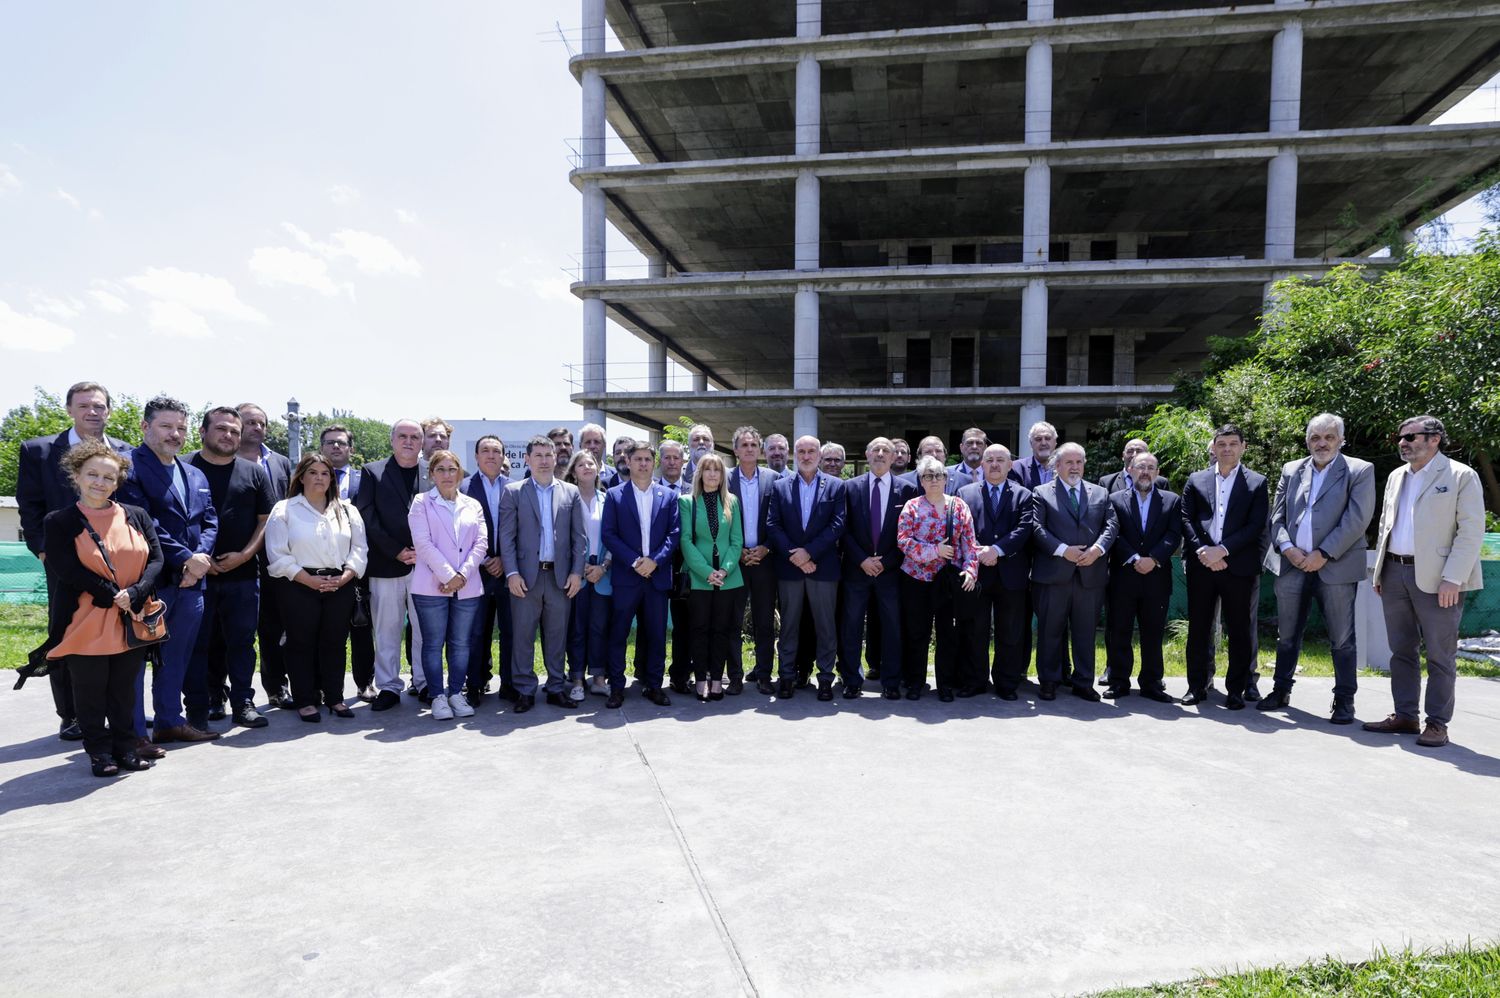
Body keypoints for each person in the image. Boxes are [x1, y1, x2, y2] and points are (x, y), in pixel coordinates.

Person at [17, 380, 132, 741]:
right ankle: (71, 715)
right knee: (68, 633)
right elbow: (30, 505)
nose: (92, 412)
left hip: (115, 563)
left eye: (99, 406)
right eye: (84, 406)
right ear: (69, 409)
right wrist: (43, 549)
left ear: (108, 411)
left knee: (115, 635)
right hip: (65, 564)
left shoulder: (126, 452)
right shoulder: (39, 450)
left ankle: (115, 712)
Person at [42, 440, 164, 776]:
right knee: (91, 693)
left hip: (131, 619)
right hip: (85, 621)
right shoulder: (60, 521)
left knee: (124, 691)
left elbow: (156, 558)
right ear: (77, 476)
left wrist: (136, 593)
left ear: (118, 481)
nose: (100, 482)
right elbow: (66, 569)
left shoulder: (136, 515)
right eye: (92, 474)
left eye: (109, 477)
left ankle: (125, 749)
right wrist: (114, 593)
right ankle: (99, 753)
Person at [1364, 415, 1485, 748]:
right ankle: (1405, 715)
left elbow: (1471, 531)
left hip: (1439, 579)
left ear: (1434, 439)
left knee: (1439, 654)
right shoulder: (1395, 476)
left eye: (1411, 436)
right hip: (1393, 572)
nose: (1403, 442)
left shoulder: (1461, 475)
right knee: (1401, 650)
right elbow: (1387, 526)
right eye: (1400, 437)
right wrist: (1379, 570)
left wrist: (1453, 578)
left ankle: (1437, 723)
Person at [116, 396, 221, 744]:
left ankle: (169, 721)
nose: (174, 434)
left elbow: (209, 520)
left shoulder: (194, 472)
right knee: (134, 661)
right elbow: (143, 521)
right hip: (149, 581)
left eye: (181, 428)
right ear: (145, 427)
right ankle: (133, 734)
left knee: (176, 657)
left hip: (192, 584)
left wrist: (200, 561)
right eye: (166, 426)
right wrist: (185, 559)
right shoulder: (127, 467)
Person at [1259, 414, 1376, 723]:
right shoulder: (1291, 470)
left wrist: (1323, 553)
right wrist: (1287, 548)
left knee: (1341, 638)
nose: (1321, 443)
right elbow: (1277, 516)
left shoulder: (1359, 470)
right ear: (1307, 440)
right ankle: (1281, 689)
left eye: (1328, 437)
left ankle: (1344, 701)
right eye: (1315, 438)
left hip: (1334, 566)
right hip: (1292, 564)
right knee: (1287, 634)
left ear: (1340, 440)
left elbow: (1357, 518)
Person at [189, 406, 275, 729]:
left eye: (234, 432)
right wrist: (196, 559)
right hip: (195, 574)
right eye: (222, 429)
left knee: (241, 642)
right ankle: (204, 704)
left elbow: (265, 521)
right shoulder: (185, 468)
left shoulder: (254, 472)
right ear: (203, 431)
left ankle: (243, 702)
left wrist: (245, 554)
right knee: (200, 643)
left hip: (242, 575)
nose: (229, 436)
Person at [265, 453, 367, 721]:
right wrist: (307, 580)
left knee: (334, 643)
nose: (319, 478)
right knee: (301, 643)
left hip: (339, 583)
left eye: (325, 473)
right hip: (298, 584)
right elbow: (277, 553)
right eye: (313, 472)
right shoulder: (285, 509)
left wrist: (346, 576)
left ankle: (335, 698)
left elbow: (359, 549)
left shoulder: (347, 510)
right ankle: (305, 699)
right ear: (301, 476)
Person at [1179, 424, 1270, 709]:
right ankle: (1196, 686)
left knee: (1240, 630)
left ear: (1243, 447)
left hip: (1238, 566)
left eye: (1233, 443)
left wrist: (1223, 550)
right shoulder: (1196, 479)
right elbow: (1186, 519)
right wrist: (1204, 551)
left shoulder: (1257, 482)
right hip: (1202, 564)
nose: (1227, 448)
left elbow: (1256, 525)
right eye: (1221, 443)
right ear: (1213, 447)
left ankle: (1236, 690)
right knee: (1199, 629)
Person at [499, 436, 587, 713]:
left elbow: (579, 538)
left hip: (559, 577)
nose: (544, 460)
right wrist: (511, 573)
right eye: (538, 455)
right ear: (527, 459)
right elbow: (507, 537)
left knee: (557, 635)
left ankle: (555, 688)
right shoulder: (514, 491)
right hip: (526, 576)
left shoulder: (570, 492)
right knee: (523, 635)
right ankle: (525, 690)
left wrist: (576, 573)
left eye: (548, 454)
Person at [1030, 442, 1117, 702]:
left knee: (1085, 632)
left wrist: (1097, 550)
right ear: (1057, 466)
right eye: (1069, 462)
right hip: (1053, 574)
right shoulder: (1042, 492)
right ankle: (1049, 681)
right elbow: (1036, 528)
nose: (1074, 467)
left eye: (1079, 462)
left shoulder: (1101, 493)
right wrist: (1062, 550)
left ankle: (1083, 682)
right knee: (1050, 630)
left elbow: (1111, 525)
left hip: (1089, 575)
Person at [408, 450, 487, 721]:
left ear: (459, 473)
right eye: (440, 469)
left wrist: (461, 576)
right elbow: (423, 543)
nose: (447, 475)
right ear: (432, 475)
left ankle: (455, 693)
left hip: (467, 585)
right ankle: (437, 697)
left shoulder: (473, 505)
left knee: (461, 643)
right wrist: (447, 576)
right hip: (430, 586)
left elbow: (481, 543)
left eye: (452, 469)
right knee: (432, 643)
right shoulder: (420, 503)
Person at [766, 435, 847, 700]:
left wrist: (809, 553)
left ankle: (825, 678)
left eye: (812, 451)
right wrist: (796, 555)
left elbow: (837, 525)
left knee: (825, 627)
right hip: (790, 569)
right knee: (789, 626)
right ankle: (786, 677)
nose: (807, 455)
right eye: (801, 451)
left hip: (822, 568)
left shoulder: (836, 486)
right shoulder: (780, 487)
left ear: (819, 456)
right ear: (794, 455)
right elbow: (773, 525)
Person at [602, 440, 680, 707]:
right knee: (619, 633)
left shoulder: (668, 496)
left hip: (656, 578)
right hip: (627, 577)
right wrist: (636, 561)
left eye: (648, 459)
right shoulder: (615, 495)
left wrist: (655, 561)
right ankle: (616, 687)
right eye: (638, 459)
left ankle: (655, 685)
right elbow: (609, 535)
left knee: (657, 634)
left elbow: (674, 534)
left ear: (653, 462)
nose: (643, 464)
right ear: (629, 462)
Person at [355, 419, 425, 711]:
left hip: (426, 565)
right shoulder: (373, 472)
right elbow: (367, 516)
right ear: (392, 440)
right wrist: (396, 551)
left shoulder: (434, 470)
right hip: (386, 564)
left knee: (425, 630)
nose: (409, 441)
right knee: (386, 629)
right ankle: (389, 687)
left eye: (415, 437)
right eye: (403, 436)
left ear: (422, 442)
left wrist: (423, 551)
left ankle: (424, 682)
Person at [896, 455, 980, 701]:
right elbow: (903, 541)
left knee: (948, 634)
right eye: (928, 476)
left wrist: (971, 570)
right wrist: (935, 551)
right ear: (921, 480)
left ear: (946, 478)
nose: (934, 480)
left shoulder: (959, 506)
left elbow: (970, 543)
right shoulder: (912, 506)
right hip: (916, 579)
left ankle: (945, 684)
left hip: (949, 582)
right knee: (916, 633)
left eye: (939, 475)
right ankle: (915, 683)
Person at [840, 437, 917, 699]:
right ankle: (851, 680)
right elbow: (843, 529)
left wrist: (885, 562)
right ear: (867, 454)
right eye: (876, 450)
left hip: (890, 572)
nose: (881, 454)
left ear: (895, 455)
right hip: (856, 570)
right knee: (851, 626)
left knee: (892, 627)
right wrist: (862, 559)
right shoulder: (849, 487)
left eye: (886, 450)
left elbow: (909, 533)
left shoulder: (907, 490)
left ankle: (891, 681)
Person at [1102, 452, 1181, 703]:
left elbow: (1173, 535)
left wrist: (1154, 558)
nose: (1145, 471)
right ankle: (1119, 682)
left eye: (1151, 467)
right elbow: (1113, 534)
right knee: (1119, 631)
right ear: (1130, 470)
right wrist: (1136, 558)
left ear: (1157, 473)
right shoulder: (1114, 499)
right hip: (1124, 576)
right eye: (1140, 467)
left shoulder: (1171, 500)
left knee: (1153, 633)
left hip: (1157, 577)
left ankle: (1151, 683)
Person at [957, 444, 1033, 700]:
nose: (994, 464)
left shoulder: (1023, 495)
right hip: (976, 573)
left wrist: (997, 550)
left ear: (1010, 465)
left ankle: (1006, 683)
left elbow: (1024, 529)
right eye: (989, 460)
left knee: (1010, 631)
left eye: (1001, 460)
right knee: (974, 630)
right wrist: (979, 552)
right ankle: (975, 681)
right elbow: (960, 529)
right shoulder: (965, 493)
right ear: (982, 464)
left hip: (1011, 573)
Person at [235, 402, 294, 708]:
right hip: (234, 556)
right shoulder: (223, 459)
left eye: (262, 423)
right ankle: (219, 692)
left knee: (274, 626)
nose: (257, 428)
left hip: (276, 558)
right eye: (250, 422)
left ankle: (276, 686)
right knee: (231, 630)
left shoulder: (281, 462)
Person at [678, 453, 744, 702]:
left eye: (717, 470)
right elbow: (685, 540)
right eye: (708, 470)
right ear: (700, 474)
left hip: (728, 578)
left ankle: (717, 680)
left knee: (721, 631)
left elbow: (736, 540)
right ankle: (701, 680)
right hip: (699, 577)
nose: (713, 474)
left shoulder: (732, 501)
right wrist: (707, 572)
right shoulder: (687, 502)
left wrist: (724, 570)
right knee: (699, 629)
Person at [321, 424, 376, 700]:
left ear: (351, 449)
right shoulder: (309, 479)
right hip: (319, 566)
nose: (335, 447)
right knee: (328, 631)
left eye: (341, 443)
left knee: (362, 626)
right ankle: (328, 687)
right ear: (321, 448)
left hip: (358, 564)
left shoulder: (363, 478)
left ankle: (365, 682)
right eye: (330, 443)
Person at [465, 435, 518, 706]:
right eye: (485, 451)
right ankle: (474, 685)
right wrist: (486, 558)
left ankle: (509, 684)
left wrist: (505, 562)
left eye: (496, 451)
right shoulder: (463, 488)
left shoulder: (515, 488)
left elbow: (522, 531)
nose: (491, 455)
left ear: (503, 457)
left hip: (509, 573)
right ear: (476, 457)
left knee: (511, 630)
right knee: (476, 632)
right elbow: (459, 533)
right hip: (476, 572)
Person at [727, 426, 779, 695]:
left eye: (753, 445)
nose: (749, 449)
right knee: (732, 621)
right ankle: (734, 676)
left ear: (760, 450)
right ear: (735, 450)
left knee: (764, 622)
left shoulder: (774, 479)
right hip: (733, 562)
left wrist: (767, 548)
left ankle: (763, 674)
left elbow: (780, 520)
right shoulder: (723, 479)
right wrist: (735, 552)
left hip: (764, 561)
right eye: (743, 445)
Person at [563, 450, 612, 700]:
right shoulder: (566, 500)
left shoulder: (608, 499)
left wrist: (603, 565)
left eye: (591, 463)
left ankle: (599, 678)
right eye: (581, 464)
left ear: (598, 468)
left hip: (603, 573)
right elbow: (561, 537)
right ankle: (577, 680)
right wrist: (577, 566)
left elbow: (615, 536)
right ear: (573, 471)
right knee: (577, 628)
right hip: (576, 574)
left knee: (599, 627)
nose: (586, 467)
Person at [657, 440, 694, 694]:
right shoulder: (648, 489)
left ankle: (680, 674)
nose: (671, 462)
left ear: (683, 461)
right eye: (667, 457)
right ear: (661, 461)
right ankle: (648, 673)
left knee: (684, 624)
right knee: (654, 623)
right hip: (655, 564)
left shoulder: (695, 491)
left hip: (686, 568)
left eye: (676, 458)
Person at [1098, 438, 1172, 494]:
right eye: (1130, 451)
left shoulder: (1161, 483)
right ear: (1123, 455)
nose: (1134, 455)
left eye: (1139, 451)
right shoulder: (1107, 482)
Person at [1008, 421, 1057, 490]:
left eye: (1047, 438)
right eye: (1038, 439)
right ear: (1031, 444)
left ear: (1055, 442)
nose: (1043, 443)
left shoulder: (1065, 467)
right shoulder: (1017, 468)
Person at [578, 422, 619, 489]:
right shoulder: (572, 476)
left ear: (604, 445)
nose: (592, 446)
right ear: (580, 445)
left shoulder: (616, 475)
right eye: (588, 442)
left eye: (597, 442)